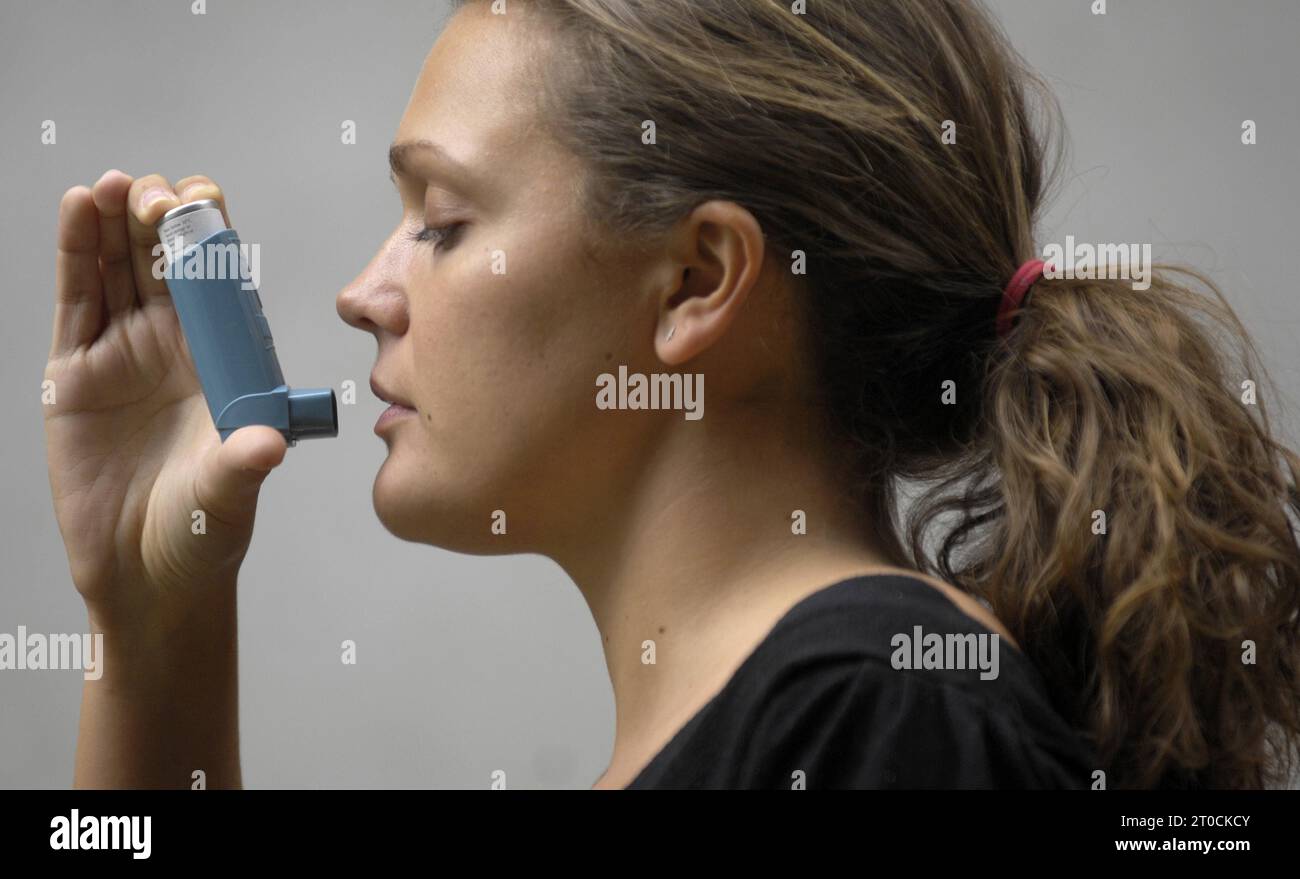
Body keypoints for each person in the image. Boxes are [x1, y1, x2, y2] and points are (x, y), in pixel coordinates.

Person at [44, 0, 1300, 789]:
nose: (361, 292)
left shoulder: (877, 719)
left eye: (438, 219)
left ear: (695, 280)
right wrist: (155, 628)